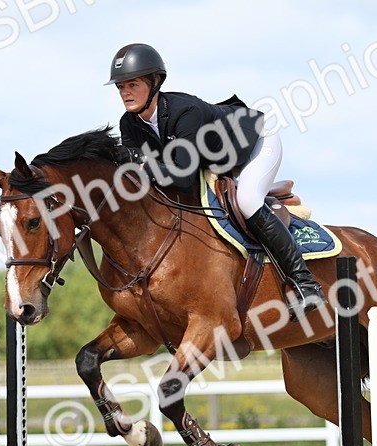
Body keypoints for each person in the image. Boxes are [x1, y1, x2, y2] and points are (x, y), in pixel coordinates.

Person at [109, 42, 326, 313]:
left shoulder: (185, 113)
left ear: (155, 83)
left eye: (133, 85)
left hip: (255, 144)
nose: (126, 93)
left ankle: (306, 284)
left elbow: (182, 177)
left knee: (247, 201)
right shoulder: (128, 123)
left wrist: (146, 169)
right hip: (214, 159)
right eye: (121, 87)